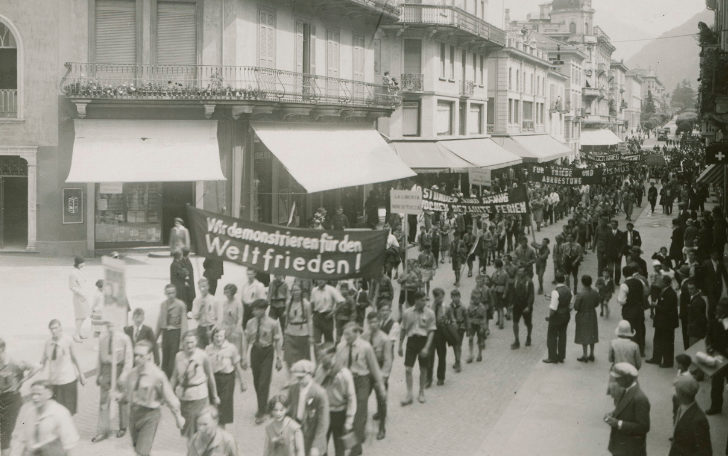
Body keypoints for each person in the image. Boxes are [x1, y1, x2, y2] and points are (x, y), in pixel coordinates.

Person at [122, 340, 184, 456]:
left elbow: (170, 398)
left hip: (150, 416)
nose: (137, 358)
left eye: (141, 356)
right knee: (138, 450)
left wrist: (178, 417)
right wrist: (120, 396)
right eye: (135, 355)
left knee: (142, 452)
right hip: (134, 415)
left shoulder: (157, 375)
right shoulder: (132, 374)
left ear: (149, 356)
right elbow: (127, 395)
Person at [335, 322, 385, 455]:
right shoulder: (340, 346)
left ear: (356, 332)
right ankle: (355, 444)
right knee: (347, 415)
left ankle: (355, 449)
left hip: (362, 381)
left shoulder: (366, 347)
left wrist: (380, 386)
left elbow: (374, 367)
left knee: (358, 415)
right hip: (346, 381)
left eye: (348, 334)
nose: (345, 337)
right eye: (344, 334)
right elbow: (337, 366)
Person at [10, 380, 80, 456]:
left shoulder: (60, 412)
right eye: (32, 394)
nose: (35, 397)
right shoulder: (25, 410)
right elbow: (18, 438)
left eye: (39, 394)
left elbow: (70, 444)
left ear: (49, 394)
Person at [170, 331, 219, 438]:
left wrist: (214, 396)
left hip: (199, 396)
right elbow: (174, 376)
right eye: (187, 343)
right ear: (182, 343)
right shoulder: (178, 356)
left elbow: (210, 376)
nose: (189, 345)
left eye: (192, 342)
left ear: (196, 342)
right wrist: (169, 393)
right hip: (183, 396)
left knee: (198, 427)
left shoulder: (203, 355)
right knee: (187, 428)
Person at [92, 320, 133, 443]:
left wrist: (124, 375)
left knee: (121, 400)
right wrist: (98, 374)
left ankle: (123, 426)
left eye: (112, 324)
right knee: (104, 400)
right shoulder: (102, 338)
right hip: (106, 370)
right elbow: (99, 358)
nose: (110, 327)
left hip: (119, 370)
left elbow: (129, 359)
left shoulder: (124, 339)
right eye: (108, 325)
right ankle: (103, 431)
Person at [245, 299, 283, 424]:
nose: (253, 311)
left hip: (267, 352)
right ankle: (262, 405)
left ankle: (261, 412)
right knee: (257, 381)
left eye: (256, 309)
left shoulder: (273, 323)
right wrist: (244, 356)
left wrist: (279, 358)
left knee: (264, 382)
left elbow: (277, 341)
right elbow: (246, 340)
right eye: (253, 309)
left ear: (263, 310)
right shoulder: (250, 322)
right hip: (255, 352)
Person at [315, 344, 355, 456]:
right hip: (324, 412)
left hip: (339, 413)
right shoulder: (320, 369)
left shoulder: (344, 373)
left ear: (332, 355)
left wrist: (349, 421)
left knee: (340, 447)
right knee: (321, 445)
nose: (320, 359)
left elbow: (351, 398)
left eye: (323, 356)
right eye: (319, 356)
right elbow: (315, 391)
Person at [0, 338, 38, 456]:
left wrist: (23, 380)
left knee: (5, 437)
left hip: (11, 401)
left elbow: (35, 367)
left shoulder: (15, 363)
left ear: (2, 349)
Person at [40, 319, 85, 415]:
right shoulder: (48, 342)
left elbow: (75, 358)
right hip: (54, 382)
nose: (53, 331)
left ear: (60, 328)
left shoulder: (68, 340)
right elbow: (42, 361)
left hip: (67, 381)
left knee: (68, 413)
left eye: (55, 328)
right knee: (55, 412)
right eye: (51, 329)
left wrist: (81, 374)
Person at [604, 363, 650, 456]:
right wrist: (613, 414)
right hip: (621, 447)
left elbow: (644, 427)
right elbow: (623, 408)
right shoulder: (626, 390)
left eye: (618, 378)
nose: (616, 380)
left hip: (630, 450)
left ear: (627, 378)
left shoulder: (640, 399)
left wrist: (618, 423)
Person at [399, 291, 435, 405]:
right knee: (408, 369)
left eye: (425, 300)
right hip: (411, 341)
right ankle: (409, 394)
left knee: (423, 369)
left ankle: (421, 392)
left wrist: (427, 347)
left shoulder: (430, 313)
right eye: (423, 300)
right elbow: (403, 329)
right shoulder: (407, 313)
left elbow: (431, 331)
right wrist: (400, 345)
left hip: (423, 341)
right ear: (416, 300)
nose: (425, 302)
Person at [286, 360, 329, 456]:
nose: (299, 380)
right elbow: (288, 409)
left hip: (313, 436)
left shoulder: (320, 393)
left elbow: (323, 423)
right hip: (297, 431)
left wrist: (316, 446)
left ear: (310, 374)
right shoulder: (293, 388)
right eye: (297, 378)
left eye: (302, 377)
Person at [206, 327, 246, 428]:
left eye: (221, 336)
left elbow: (237, 365)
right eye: (216, 336)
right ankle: (213, 428)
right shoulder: (208, 349)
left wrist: (242, 382)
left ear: (224, 337)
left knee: (224, 405)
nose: (218, 339)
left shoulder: (231, 348)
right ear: (212, 337)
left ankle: (222, 429)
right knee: (213, 403)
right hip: (213, 379)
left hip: (227, 379)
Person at [362, 312, 392, 440]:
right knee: (362, 400)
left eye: (375, 322)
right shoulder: (364, 336)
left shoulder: (385, 339)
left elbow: (387, 360)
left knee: (381, 400)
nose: (373, 325)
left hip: (379, 371)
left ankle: (382, 428)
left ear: (379, 322)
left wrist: (383, 377)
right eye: (370, 322)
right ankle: (361, 428)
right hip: (367, 372)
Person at [669, 375, 711, 456]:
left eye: (676, 390)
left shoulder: (699, 420)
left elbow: (705, 452)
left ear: (682, 395)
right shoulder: (681, 407)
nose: (674, 393)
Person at [156, 283, 188, 378]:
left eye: (173, 293)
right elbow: (160, 321)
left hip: (176, 334)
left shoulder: (180, 305)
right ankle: (164, 382)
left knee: (173, 361)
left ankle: (172, 383)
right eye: (168, 293)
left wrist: (183, 342)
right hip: (166, 334)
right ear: (165, 293)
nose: (171, 295)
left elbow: (184, 324)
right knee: (165, 359)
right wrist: (155, 337)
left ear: (176, 293)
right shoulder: (163, 305)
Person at [646, 275, 679, 368]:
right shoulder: (663, 291)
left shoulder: (671, 294)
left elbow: (667, 309)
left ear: (665, 283)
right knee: (657, 340)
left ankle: (668, 362)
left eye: (661, 281)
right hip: (661, 321)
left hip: (667, 323)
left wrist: (655, 306)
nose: (659, 283)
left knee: (667, 342)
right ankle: (656, 358)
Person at [617, 265, 646, 356]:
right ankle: (641, 350)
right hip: (639, 308)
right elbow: (644, 293)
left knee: (629, 330)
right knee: (639, 328)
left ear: (623, 274)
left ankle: (631, 351)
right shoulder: (640, 282)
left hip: (629, 309)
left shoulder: (624, 285)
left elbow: (621, 300)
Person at [706, 298, 728, 415]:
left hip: (726, 357)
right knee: (716, 384)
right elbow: (708, 335)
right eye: (718, 306)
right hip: (717, 356)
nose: (718, 309)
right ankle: (715, 407)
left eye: (722, 307)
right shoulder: (714, 321)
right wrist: (708, 345)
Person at [543, 273, 572, 364]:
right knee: (563, 335)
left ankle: (552, 357)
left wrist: (549, 317)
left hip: (556, 316)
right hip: (566, 315)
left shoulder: (555, 292)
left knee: (552, 336)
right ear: (563, 280)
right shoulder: (569, 290)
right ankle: (561, 356)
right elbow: (571, 306)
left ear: (555, 280)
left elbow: (553, 308)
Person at [574, 275, 599, 362]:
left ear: (582, 282)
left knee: (583, 334)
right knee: (592, 333)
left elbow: (576, 307)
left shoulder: (581, 294)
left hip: (583, 315)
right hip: (592, 314)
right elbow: (597, 303)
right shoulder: (594, 292)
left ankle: (585, 355)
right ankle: (591, 354)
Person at [310, 280, 344, 344]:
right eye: (319, 279)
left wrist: (333, 312)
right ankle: (317, 354)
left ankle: (329, 353)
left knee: (328, 341)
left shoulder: (331, 289)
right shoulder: (314, 290)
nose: (320, 281)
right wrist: (310, 315)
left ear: (325, 280)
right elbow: (312, 303)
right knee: (316, 341)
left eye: (322, 279)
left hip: (327, 317)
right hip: (317, 316)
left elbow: (341, 301)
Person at [189, 278, 219, 348]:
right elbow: (195, 316)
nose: (202, 289)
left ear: (208, 286)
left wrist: (213, 329)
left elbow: (219, 318)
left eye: (204, 286)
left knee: (213, 349)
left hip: (212, 327)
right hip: (201, 328)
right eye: (200, 287)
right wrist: (201, 308)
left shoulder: (214, 300)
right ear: (198, 288)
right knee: (201, 349)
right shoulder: (196, 300)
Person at [511, 266, 534, 350]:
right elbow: (513, 292)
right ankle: (516, 340)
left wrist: (529, 306)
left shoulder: (529, 282)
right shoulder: (516, 280)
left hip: (525, 305)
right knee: (515, 323)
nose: (519, 273)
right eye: (518, 271)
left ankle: (529, 336)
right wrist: (511, 304)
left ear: (525, 273)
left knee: (528, 323)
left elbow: (531, 295)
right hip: (517, 305)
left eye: (521, 272)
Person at [68, 256, 90, 342]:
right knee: (81, 316)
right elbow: (72, 287)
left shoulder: (79, 271)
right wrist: (82, 294)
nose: (84, 265)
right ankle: (76, 334)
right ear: (78, 263)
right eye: (82, 263)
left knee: (82, 316)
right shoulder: (73, 273)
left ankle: (79, 332)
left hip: (83, 297)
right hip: (79, 297)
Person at [466, 289, 487, 363]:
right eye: (475, 298)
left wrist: (483, 327)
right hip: (472, 324)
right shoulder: (470, 307)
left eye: (478, 298)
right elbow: (468, 316)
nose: (477, 300)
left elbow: (484, 318)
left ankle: (480, 354)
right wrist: (468, 325)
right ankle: (471, 354)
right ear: (472, 298)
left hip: (479, 325)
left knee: (480, 340)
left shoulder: (482, 308)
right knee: (470, 339)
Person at [686, 280, 707, 348]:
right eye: (688, 288)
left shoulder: (697, 301)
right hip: (696, 330)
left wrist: (691, 327)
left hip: (695, 331)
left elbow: (699, 318)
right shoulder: (696, 299)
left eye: (692, 288)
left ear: (697, 289)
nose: (690, 291)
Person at [491, 259, 510, 330]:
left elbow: (507, 285)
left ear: (497, 265)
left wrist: (505, 293)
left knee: (501, 307)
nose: (493, 265)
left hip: (501, 291)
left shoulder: (504, 273)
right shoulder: (495, 272)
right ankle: (499, 320)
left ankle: (501, 323)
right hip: (495, 291)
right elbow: (492, 280)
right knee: (497, 307)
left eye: (494, 264)